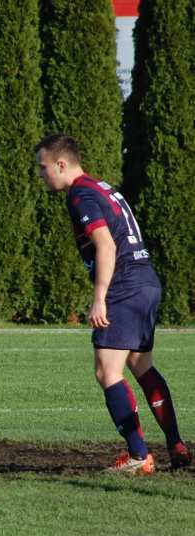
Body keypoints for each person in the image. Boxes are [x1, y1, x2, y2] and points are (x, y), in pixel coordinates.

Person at [35, 133, 191, 474]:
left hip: (124, 285)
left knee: (107, 371)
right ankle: (176, 444)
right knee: (142, 366)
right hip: (146, 281)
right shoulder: (102, 187)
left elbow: (106, 245)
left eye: (43, 167)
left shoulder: (81, 195)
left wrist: (99, 298)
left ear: (61, 164)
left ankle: (138, 456)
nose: (41, 174)